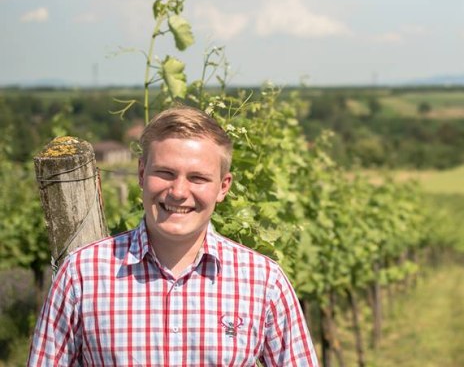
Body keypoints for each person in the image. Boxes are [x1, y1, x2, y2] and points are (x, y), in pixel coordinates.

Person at [28, 105, 318, 366]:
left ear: (223, 187)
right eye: (165, 173)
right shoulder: (81, 275)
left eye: (198, 178)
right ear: (141, 174)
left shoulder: (264, 281)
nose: (178, 192)